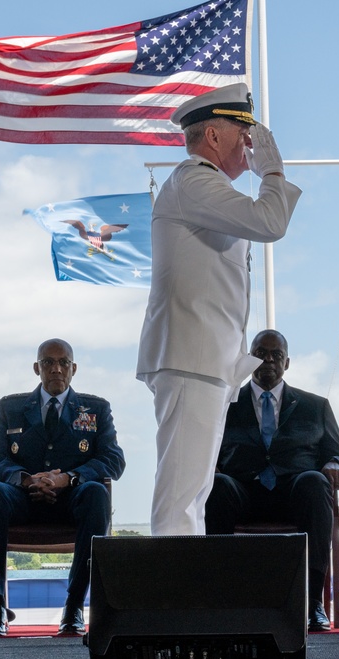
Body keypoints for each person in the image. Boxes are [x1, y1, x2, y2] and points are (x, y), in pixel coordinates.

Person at [136, 82, 302, 536]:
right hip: (193, 357)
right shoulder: (195, 180)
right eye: (242, 132)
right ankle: (167, 603)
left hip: (205, 360)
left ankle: (181, 598)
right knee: (181, 497)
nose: (250, 144)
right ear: (212, 136)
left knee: (192, 495)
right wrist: (272, 171)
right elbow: (270, 221)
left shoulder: (203, 187)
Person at [206, 329, 339, 632]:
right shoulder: (224, 406)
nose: (269, 360)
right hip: (243, 493)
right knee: (217, 486)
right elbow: (205, 455)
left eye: (277, 355)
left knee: (315, 481)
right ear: (249, 359)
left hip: (295, 496)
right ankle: (223, 600)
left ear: (287, 363)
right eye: (261, 353)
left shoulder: (315, 407)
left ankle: (313, 604)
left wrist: (333, 464)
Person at [0, 339, 125, 637]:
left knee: (97, 493)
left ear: (74, 368)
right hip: (23, 499)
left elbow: (113, 459)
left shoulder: (95, 408)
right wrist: (27, 479)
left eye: (63, 362)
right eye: (48, 362)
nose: (56, 368)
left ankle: (74, 607)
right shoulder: (11, 407)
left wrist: (67, 478)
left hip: (72, 499)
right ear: (36, 368)